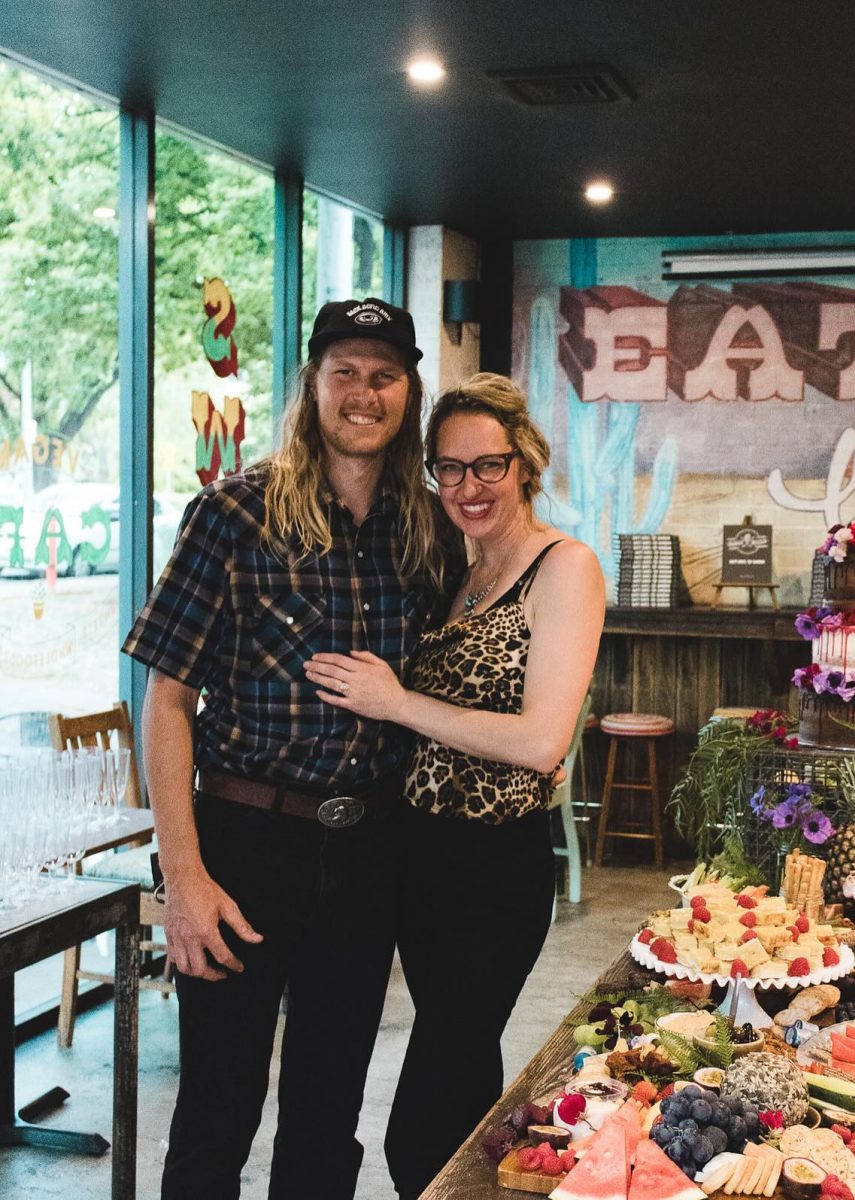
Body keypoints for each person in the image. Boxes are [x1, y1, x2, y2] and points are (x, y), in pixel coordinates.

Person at [122, 298, 463, 1200]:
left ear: (409, 394)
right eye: (343, 371)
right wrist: (183, 879)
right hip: (244, 844)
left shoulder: (428, 529)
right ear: (311, 385)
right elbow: (164, 700)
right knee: (216, 1114)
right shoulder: (232, 514)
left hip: (370, 852)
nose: (363, 393)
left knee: (327, 1116)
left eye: (384, 375)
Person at [303, 372, 606, 1198]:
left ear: (525, 463)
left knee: (421, 1123)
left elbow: (542, 742)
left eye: (488, 467)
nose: (468, 488)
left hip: (494, 871)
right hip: (416, 861)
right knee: (466, 1077)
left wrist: (398, 702)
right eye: (449, 469)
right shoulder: (455, 568)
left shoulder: (563, 567)